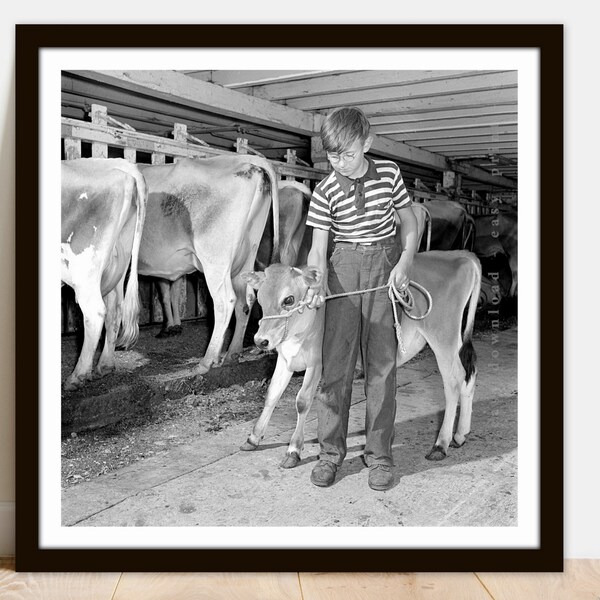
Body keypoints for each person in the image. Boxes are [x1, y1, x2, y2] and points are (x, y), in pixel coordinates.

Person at [304, 106, 418, 491]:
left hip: (384, 267)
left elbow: (409, 219)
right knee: (335, 368)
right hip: (343, 270)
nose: (340, 163)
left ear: (366, 143)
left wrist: (405, 260)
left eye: (348, 154)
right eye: (333, 156)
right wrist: (317, 281)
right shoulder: (325, 190)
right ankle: (330, 454)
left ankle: (380, 456)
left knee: (382, 368)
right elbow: (318, 250)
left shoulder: (389, 174)